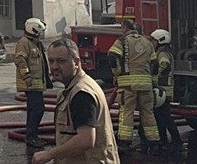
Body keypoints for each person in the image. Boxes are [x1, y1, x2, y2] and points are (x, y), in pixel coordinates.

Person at [32, 38, 119, 164]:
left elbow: (86, 139)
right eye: (51, 61)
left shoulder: (81, 94)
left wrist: (49, 154)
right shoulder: (71, 90)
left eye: (61, 61)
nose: (54, 67)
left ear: (77, 62)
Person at [108, 21, 159, 154]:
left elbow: (112, 56)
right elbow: (155, 63)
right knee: (148, 113)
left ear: (125, 28)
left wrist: (117, 72)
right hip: (146, 84)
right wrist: (153, 81)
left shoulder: (122, 41)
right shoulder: (147, 42)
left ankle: (124, 143)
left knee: (127, 112)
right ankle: (154, 142)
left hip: (128, 84)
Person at [16, 17, 50, 149]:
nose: (40, 34)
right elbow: (20, 60)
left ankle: (31, 135)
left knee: (33, 109)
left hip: (36, 84)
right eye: (39, 32)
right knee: (38, 109)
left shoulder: (35, 43)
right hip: (31, 84)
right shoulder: (24, 43)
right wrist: (27, 77)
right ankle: (31, 136)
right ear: (33, 30)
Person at [149, 29, 183, 151]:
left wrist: (156, 78)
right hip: (164, 91)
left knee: (164, 118)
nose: (152, 43)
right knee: (162, 117)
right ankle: (166, 140)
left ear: (160, 40)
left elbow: (165, 65)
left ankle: (175, 141)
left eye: (153, 40)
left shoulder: (162, 53)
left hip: (162, 91)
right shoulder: (164, 51)